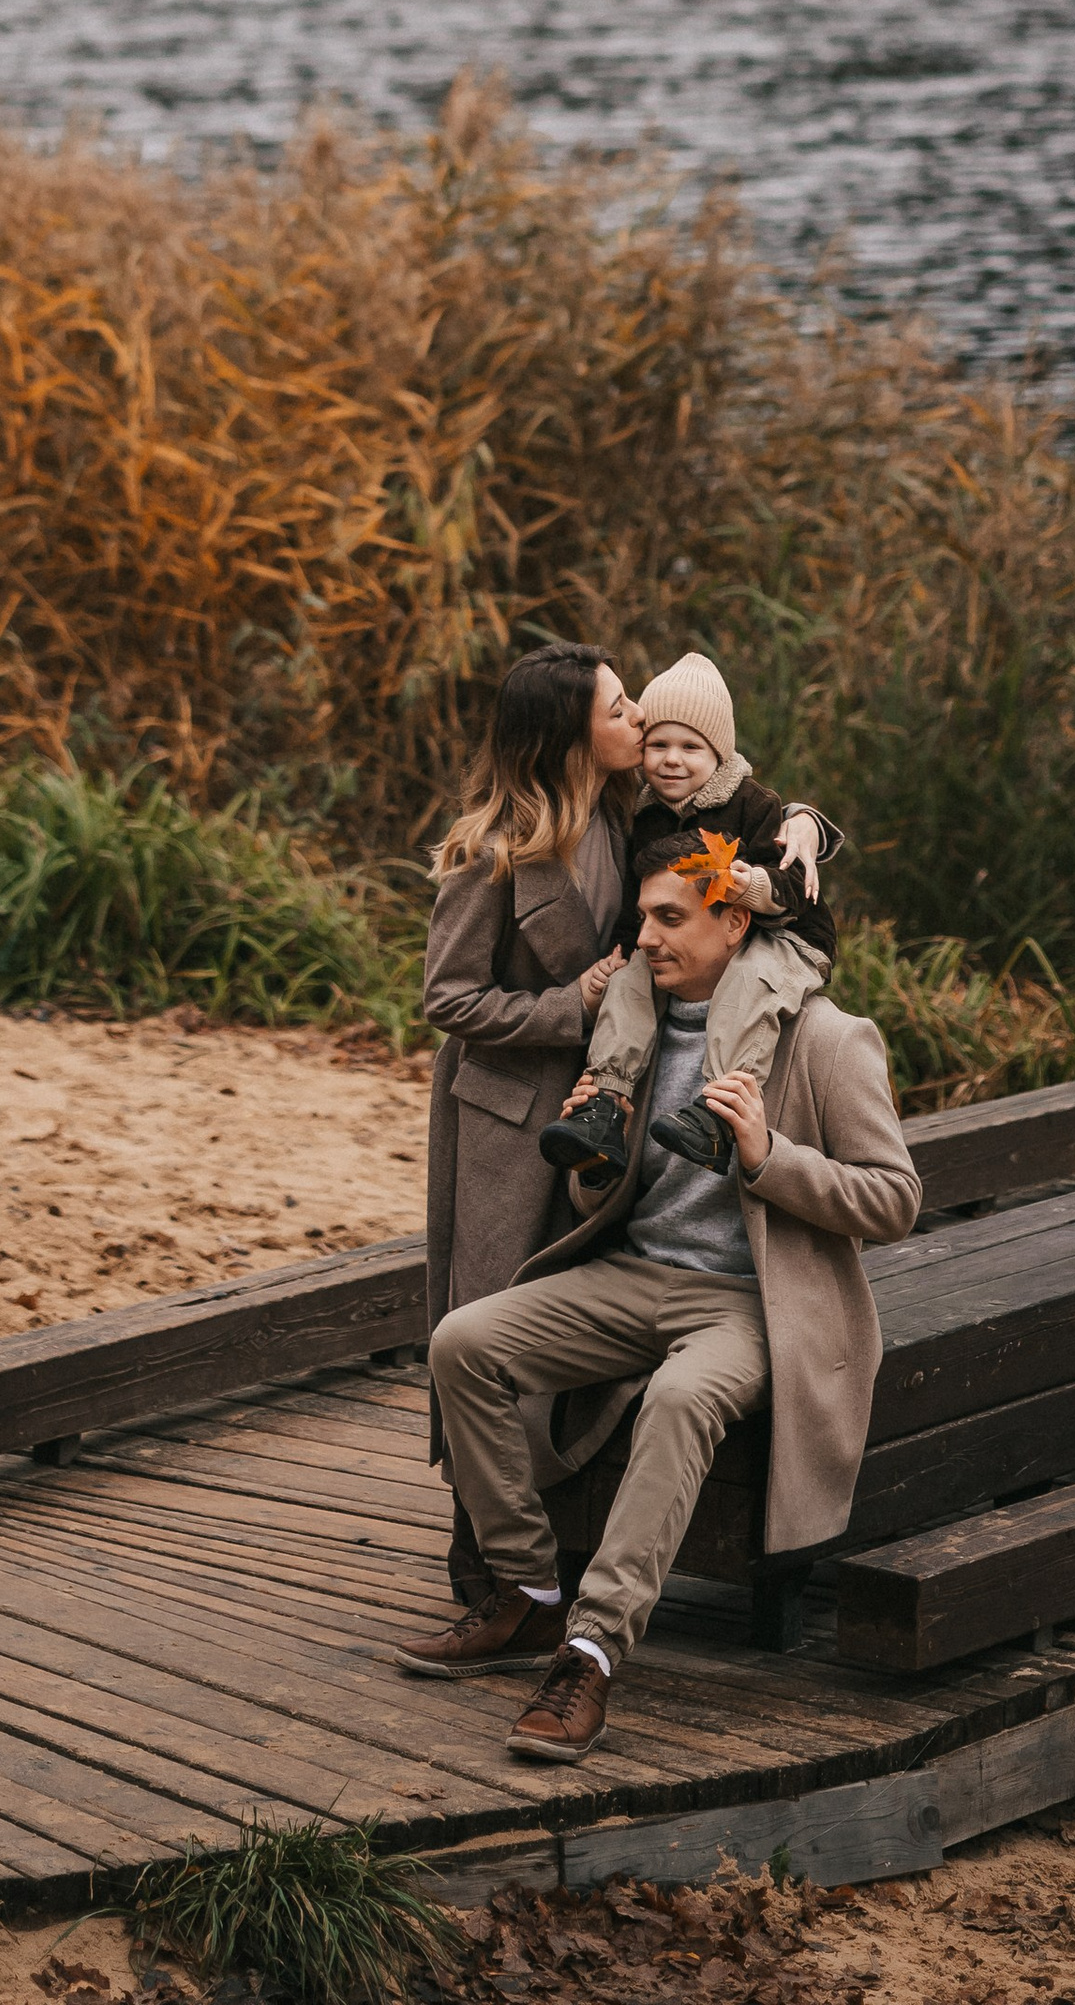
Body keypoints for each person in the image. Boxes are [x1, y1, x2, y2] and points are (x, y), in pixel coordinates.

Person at [399, 849, 921, 1761]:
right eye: (642, 917)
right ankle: (528, 1592)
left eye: (670, 920)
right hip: (636, 1278)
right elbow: (614, 1204)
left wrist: (767, 1157)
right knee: (463, 1342)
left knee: (682, 1400)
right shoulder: (630, 1030)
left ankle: (591, 1652)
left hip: (750, 1305)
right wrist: (595, 1166)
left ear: (736, 924)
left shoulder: (829, 1038)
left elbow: (893, 1200)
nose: (643, 938)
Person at [422, 642, 643, 1607]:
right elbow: (449, 999)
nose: (637, 717)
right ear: (570, 735)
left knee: (572, 1329)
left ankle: (562, 1551)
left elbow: (744, 803)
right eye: (620, 706)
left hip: (597, 1115)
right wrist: (571, 1006)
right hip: (506, 1126)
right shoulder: (493, 848)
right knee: (485, 1328)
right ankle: (485, 1572)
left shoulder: (630, 820)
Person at [537, 650, 837, 1182]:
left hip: (781, 934)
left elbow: (795, 886)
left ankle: (717, 1113)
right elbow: (640, 898)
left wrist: (750, 884)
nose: (672, 759)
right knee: (628, 986)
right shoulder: (645, 813)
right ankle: (604, 1107)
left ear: (719, 754)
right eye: (658, 745)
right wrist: (624, 951)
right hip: (698, 942)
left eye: (690, 748)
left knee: (750, 983)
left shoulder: (752, 804)